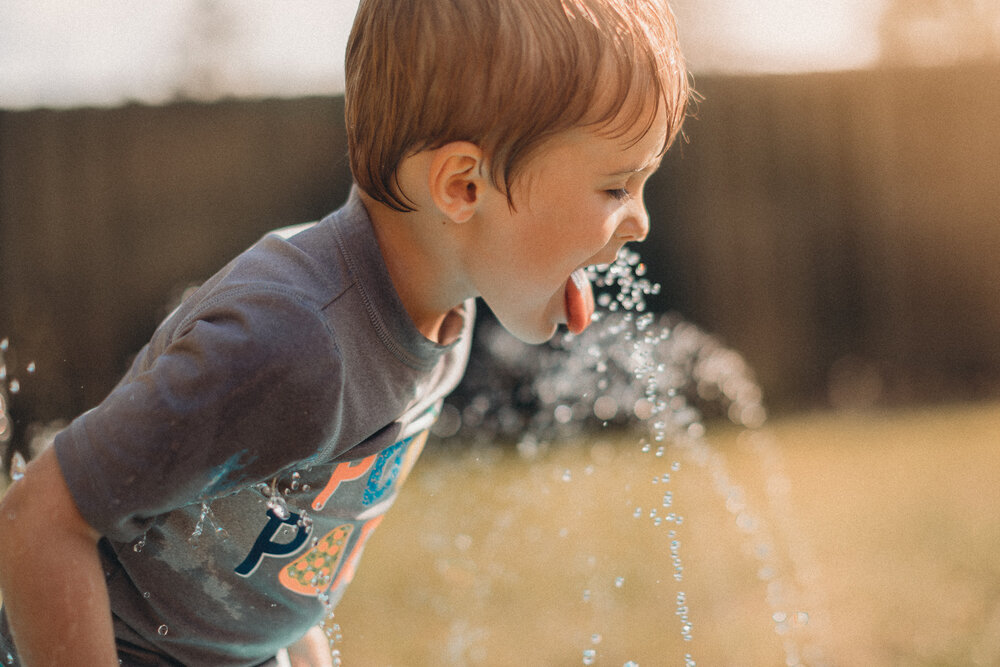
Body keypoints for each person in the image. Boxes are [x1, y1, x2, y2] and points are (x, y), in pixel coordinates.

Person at [0, 0, 691, 664]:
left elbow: (281, 545)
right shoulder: (289, 343)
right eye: (616, 187)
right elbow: (37, 521)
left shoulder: (437, 320)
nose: (640, 222)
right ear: (464, 188)